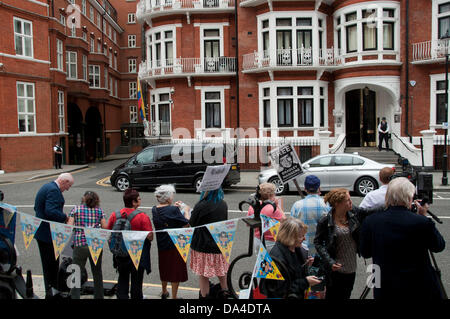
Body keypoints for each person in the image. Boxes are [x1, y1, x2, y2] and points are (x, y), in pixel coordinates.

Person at [360, 177, 446, 299]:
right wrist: (423, 217)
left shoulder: (371, 221)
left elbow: (365, 252)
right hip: (417, 284)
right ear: (409, 198)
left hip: (385, 283)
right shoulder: (421, 222)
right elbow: (439, 246)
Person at [314, 188, 378, 299]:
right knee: (333, 295)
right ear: (338, 204)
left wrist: (390, 205)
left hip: (351, 267)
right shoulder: (325, 220)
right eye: (347, 200)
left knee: (346, 294)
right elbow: (318, 242)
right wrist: (330, 261)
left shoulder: (354, 213)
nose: (351, 202)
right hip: (335, 269)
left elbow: (371, 211)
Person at [106, 188, 153, 299]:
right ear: (134, 202)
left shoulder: (115, 215)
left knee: (122, 278)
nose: (140, 200)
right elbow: (150, 237)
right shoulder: (142, 217)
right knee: (137, 281)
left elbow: (109, 232)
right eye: (139, 199)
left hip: (120, 253)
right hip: (137, 255)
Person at [259, 217, 322, 299]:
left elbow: (295, 271)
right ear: (291, 237)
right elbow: (281, 291)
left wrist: (305, 264)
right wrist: (306, 282)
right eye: (301, 236)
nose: (304, 238)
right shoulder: (276, 259)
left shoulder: (295, 248)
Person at [34, 173, 74, 299]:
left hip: (43, 232)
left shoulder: (47, 186)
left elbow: (37, 208)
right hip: (47, 234)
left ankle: (51, 290)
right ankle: (51, 293)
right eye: (69, 185)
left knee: (49, 264)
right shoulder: (53, 190)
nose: (68, 189)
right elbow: (50, 211)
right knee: (50, 265)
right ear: (64, 181)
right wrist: (65, 217)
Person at [152, 184, 190, 299]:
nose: (173, 197)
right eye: (172, 195)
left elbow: (167, 214)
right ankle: (174, 297)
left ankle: (164, 291)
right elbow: (186, 223)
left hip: (162, 243)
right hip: (175, 244)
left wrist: (174, 208)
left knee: (164, 267)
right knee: (175, 271)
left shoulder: (154, 209)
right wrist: (186, 210)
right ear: (168, 197)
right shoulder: (173, 210)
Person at [67, 191, 107, 299]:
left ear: (84, 198)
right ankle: (99, 296)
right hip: (95, 244)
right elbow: (104, 227)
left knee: (76, 271)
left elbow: (69, 226)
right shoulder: (99, 211)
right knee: (97, 272)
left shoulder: (76, 209)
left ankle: (75, 296)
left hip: (80, 244)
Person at [189, 188, 228, 299]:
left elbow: (192, 223)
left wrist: (186, 211)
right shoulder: (223, 204)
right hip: (219, 243)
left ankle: (205, 296)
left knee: (203, 274)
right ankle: (225, 293)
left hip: (202, 245)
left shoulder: (201, 205)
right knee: (221, 271)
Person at [290, 175, 330, 256]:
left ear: (305, 188)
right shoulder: (326, 204)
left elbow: (292, 228)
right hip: (322, 250)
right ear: (319, 188)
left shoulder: (297, 205)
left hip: (303, 249)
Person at [247, 182, 286, 252]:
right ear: (271, 195)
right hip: (271, 240)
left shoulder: (252, 207)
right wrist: (277, 206)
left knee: (260, 261)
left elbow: (248, 223)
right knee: (273, 261)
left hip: (258, 239)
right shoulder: (272, 208)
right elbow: (284, 220)